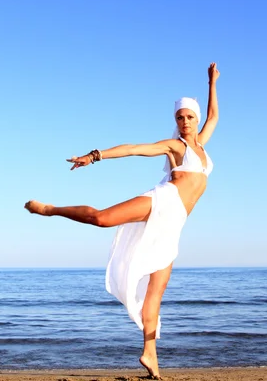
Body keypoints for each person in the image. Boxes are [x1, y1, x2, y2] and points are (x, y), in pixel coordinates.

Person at [25, 63, 220, 379]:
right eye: (179, 117)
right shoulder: (176, 147)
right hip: (163, 201)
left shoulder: (201, 145)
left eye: (189, 117)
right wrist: (95, 155)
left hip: (175, 224)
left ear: (196, 120)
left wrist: (211, 82)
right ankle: (51, 209)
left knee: (156, 292)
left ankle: (150, 354)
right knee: (102, 219)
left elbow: (214, 117)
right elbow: (133, 149)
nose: (184, 122)